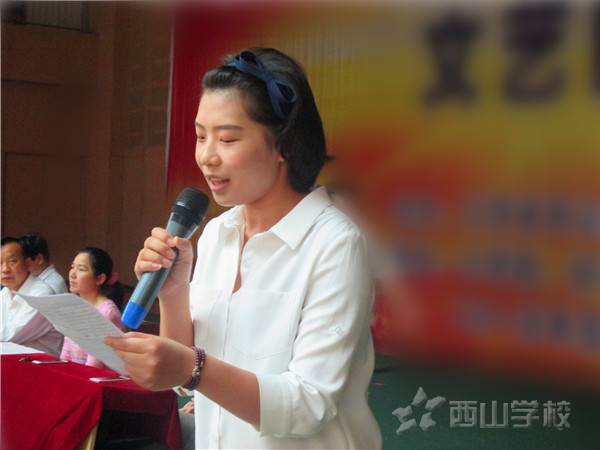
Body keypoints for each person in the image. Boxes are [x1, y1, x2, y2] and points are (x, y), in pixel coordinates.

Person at [105, 47, 382, 448]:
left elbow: (308, 404)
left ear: (284, 145)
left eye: (227, 139)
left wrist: (192, 368)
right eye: (201, 136)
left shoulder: (335, 244)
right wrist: (173, 293)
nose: (206, 156)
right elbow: (185, 376)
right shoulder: (217, 233)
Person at [61, 247, 125, 368]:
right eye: (72, 267)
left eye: (81, 269)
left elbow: (95, 364)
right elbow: (66, 351)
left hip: (96, 376)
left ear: (100, 279)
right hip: (78, 373)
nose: (72, 274)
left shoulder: (107, 313)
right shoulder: (75, 308)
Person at [1, 236, 63, 355]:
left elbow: (10, 335)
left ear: (27, 264)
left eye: (12, 261)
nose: (5, 269)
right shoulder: (5, 292)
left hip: (42, 364)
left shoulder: (41, 294)